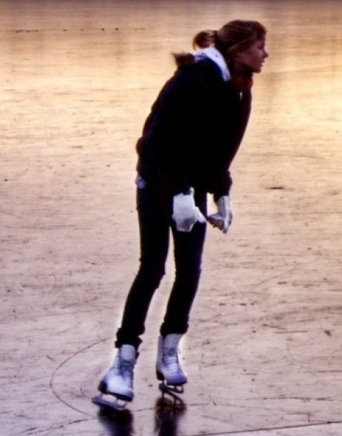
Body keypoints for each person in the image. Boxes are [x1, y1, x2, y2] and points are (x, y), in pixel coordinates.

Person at [95, 21, 268, 411]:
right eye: (259, 46)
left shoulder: (240, 89)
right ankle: (121, 363)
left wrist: (222, 192)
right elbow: (152, 144)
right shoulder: (192, 80)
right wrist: (177, 194)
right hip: (158, 182)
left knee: (189, 270)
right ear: (239, 49)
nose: (265, 54)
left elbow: (219, 150)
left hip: (193, 188)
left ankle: (169, 351)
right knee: (153, 269)